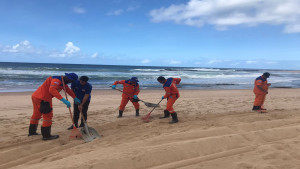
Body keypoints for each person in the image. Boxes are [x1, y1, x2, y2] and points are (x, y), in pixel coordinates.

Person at [28, 73, 81, 140]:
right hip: (44, 99)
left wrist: (75, 98)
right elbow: (52, 90)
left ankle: (32, 132)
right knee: (48, 116)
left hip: (36, 96)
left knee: (36, 114)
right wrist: (64, 100)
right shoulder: (57, 80)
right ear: (68, 78)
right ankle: (46, 136)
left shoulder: (63, 82)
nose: (71, 82)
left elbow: (68, 90)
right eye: (71, 81)